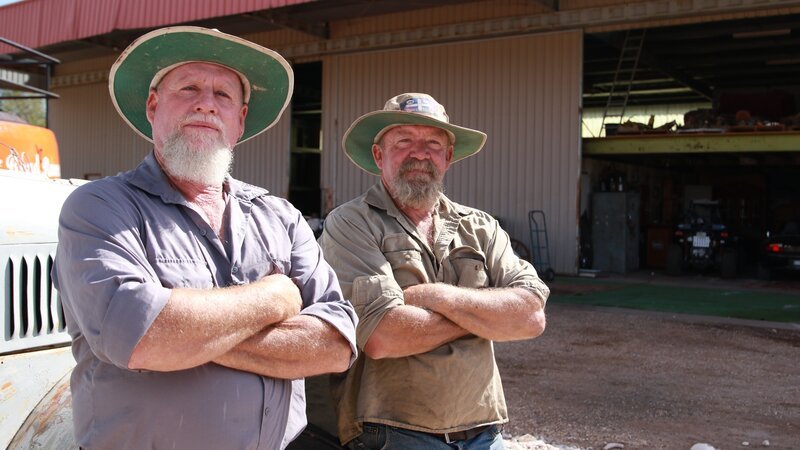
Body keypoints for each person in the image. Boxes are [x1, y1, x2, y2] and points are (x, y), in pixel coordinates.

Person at [53, 26, 357, 450]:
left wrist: (186, 336)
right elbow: (137, 336)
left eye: (223, 95)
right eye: (189, 88)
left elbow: (335, 345)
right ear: (153, 106)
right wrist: (273, 299)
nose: (205, 105)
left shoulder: (281, 216)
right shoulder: (100, 208)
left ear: (240, 120)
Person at [317, 93, 550, 450]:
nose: (419, 153)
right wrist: (486, 316)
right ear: (379, 155)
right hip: (393, 430)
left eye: (433, 143)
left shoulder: (480, 226)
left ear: (448, 157)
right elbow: (383, 336)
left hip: (485, 431)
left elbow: (531, 316)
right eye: (404, 141)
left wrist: (437, 297)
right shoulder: (351, 223)